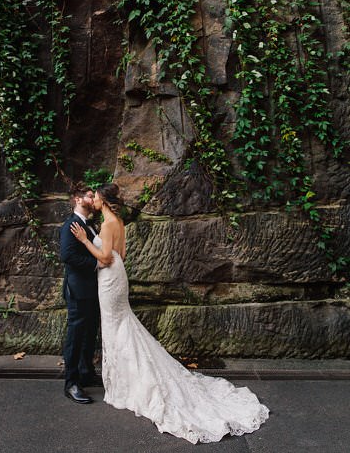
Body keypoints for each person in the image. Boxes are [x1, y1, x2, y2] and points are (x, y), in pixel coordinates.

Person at [70, 183, 269, 443]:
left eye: (95, 196)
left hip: (109, 277)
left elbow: (106, 258)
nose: (92, 199)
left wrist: (85, 241)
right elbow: (122, 255)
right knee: (123, 324)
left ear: (104, 200)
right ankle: (128, 378)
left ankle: (129, 384)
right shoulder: (117, 222)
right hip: (118, 276)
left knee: (116, 326)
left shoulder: (107, 225)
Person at [60, 183, 102, 405]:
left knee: (90, 333)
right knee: (76, 336)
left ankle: (86, 372)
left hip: (93, 289)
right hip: (78, 289)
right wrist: (96, 264)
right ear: (77, 199)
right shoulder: (71, 225)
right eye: (88, 196)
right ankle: (72, 382)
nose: (92, 199)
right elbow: (67, 256)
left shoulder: (89, 224)